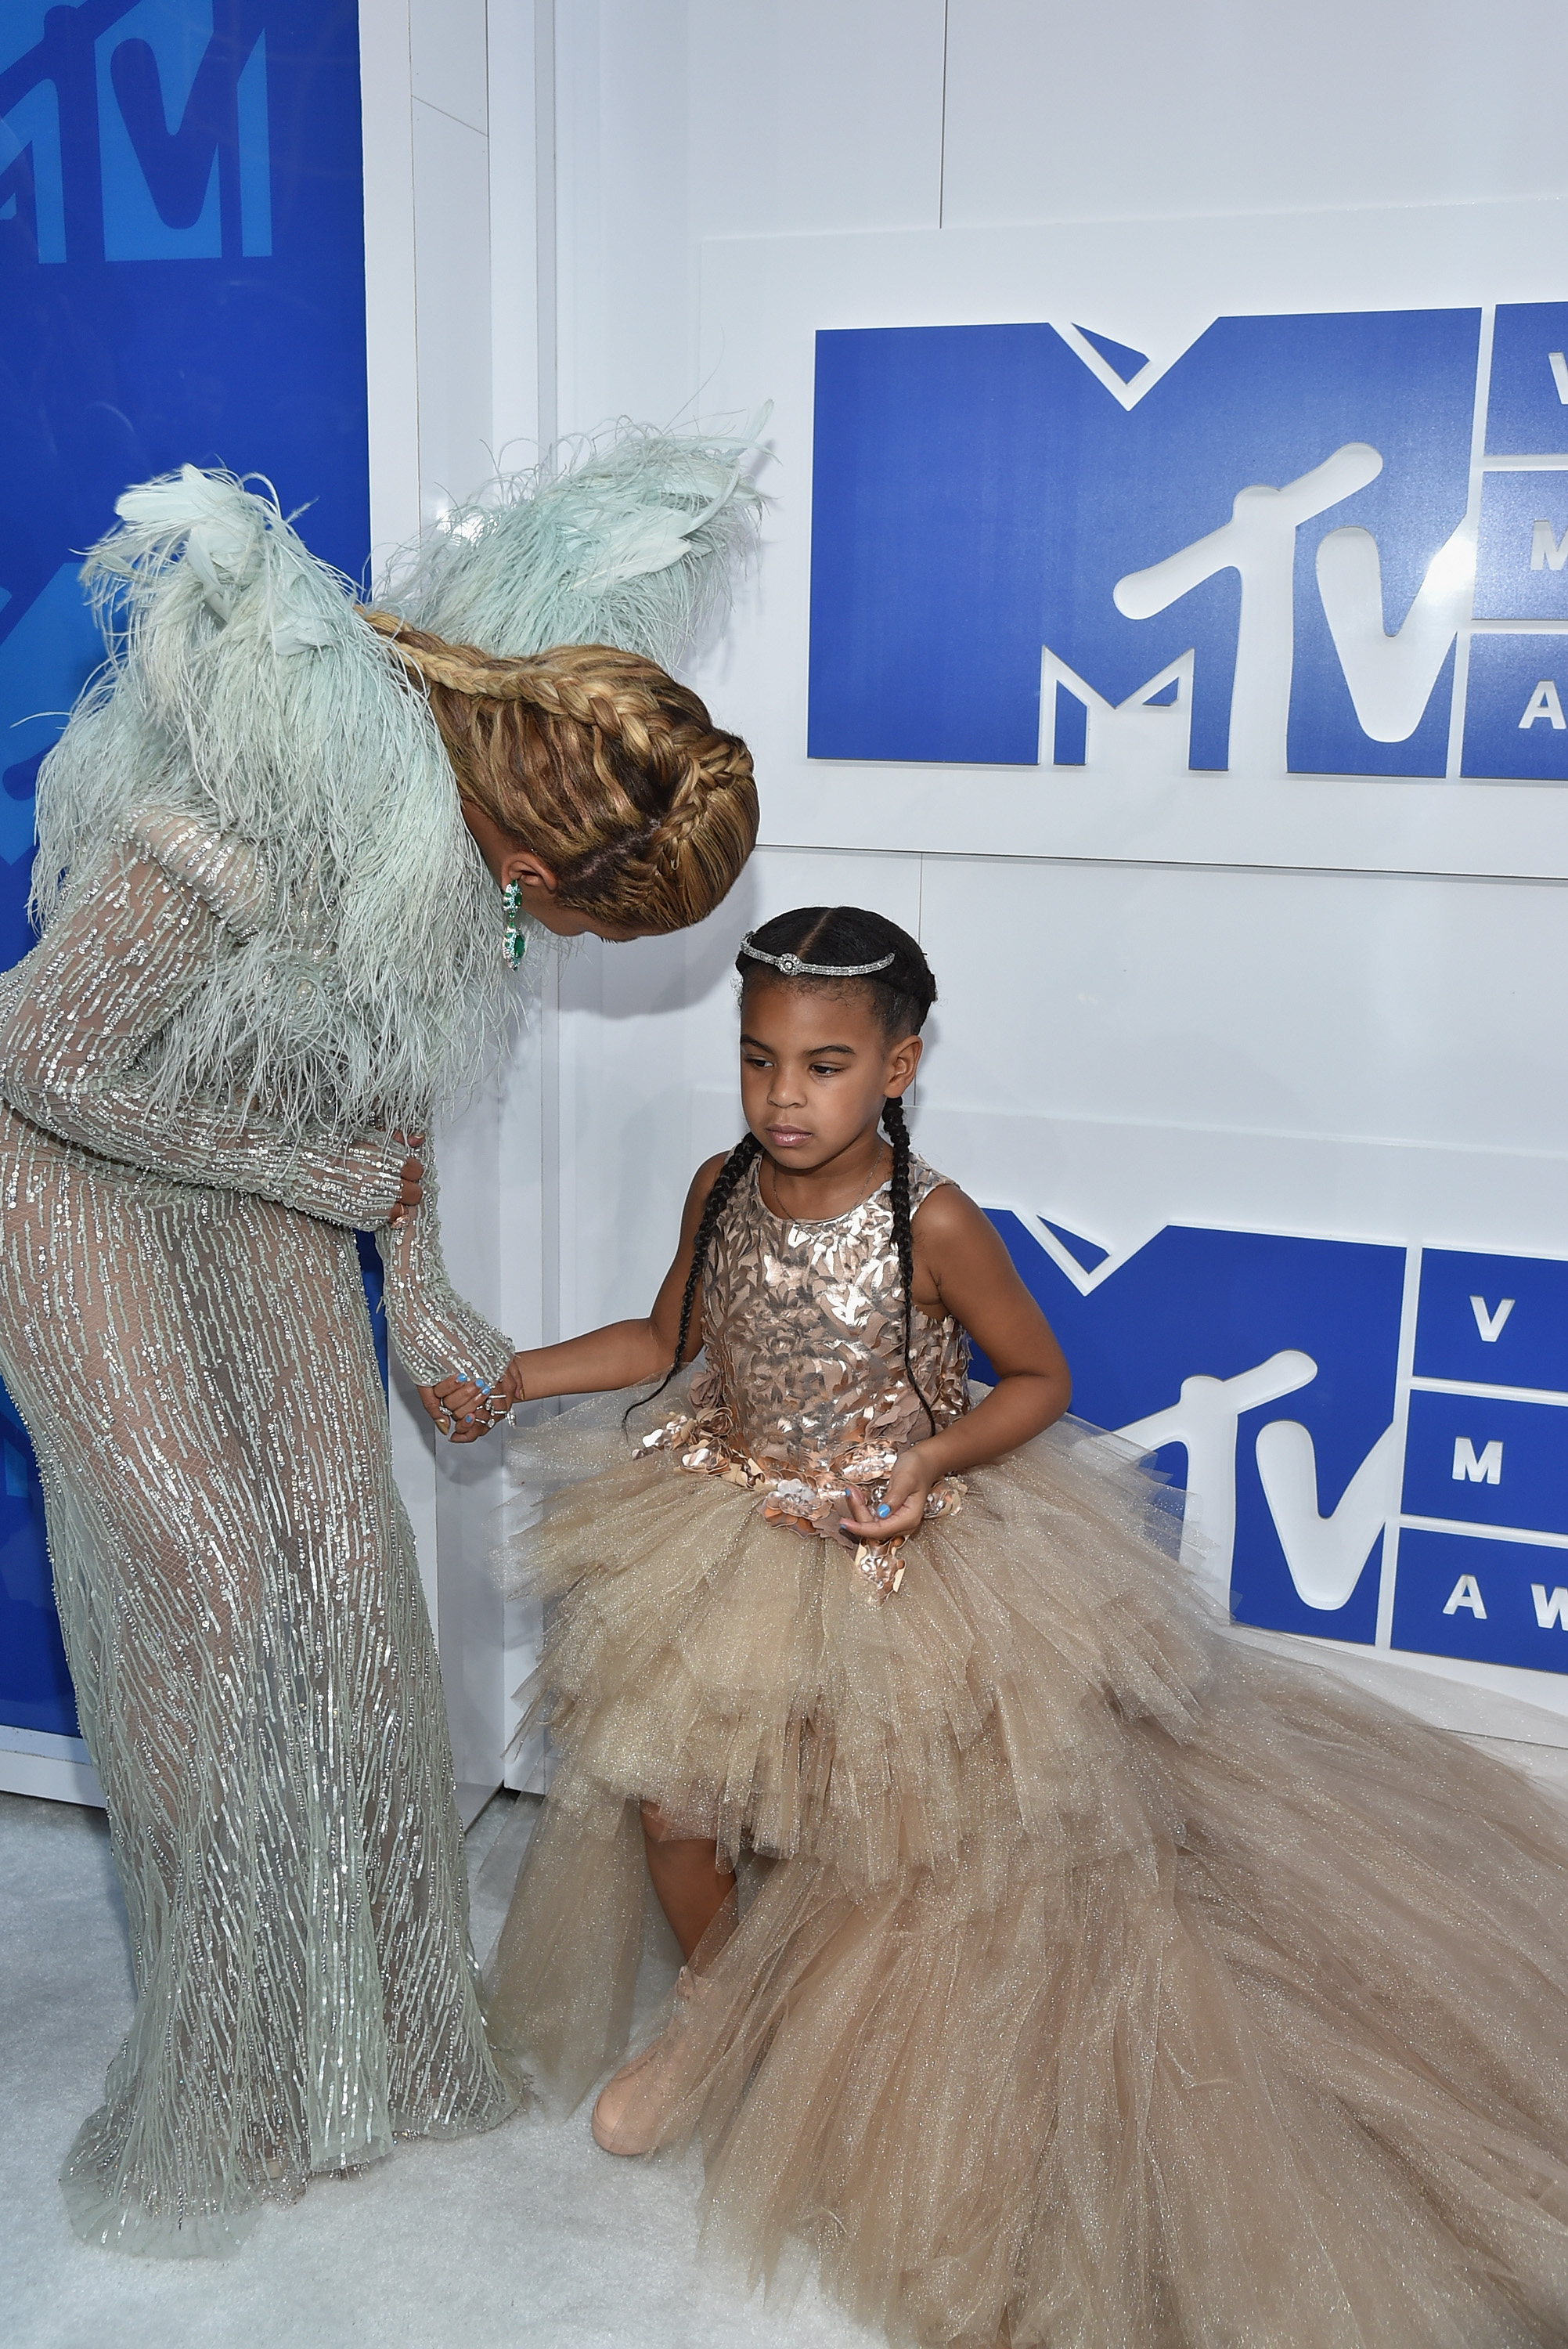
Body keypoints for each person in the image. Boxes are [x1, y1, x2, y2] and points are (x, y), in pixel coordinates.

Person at [474, 904, 1568, 2349]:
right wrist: (511, 1372)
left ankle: (834, 2032)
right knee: (674, 1798)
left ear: (899, 1066)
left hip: (900, 1540)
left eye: (821, 1066)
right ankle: (721, 2001)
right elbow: (666, 1344)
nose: (782, 1098)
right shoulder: (720, 1186)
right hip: (723, 1523)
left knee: (892, 1820)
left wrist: (926, 1463)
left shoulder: (933, 1220)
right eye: (757, 1062)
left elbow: (1035, 1377)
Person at [0, 430, 761, 2256]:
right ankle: (223, 2073)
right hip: (36, 1143)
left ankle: (355, 2042)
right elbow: (58, 1074)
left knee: (352, 1576)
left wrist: (426, 1283)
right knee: (215, 1586)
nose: (549, 932)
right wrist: (319, 1181)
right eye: (561, 902)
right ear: (525, 822)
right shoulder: (254, 808)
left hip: (241, 1131)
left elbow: (378, 1079)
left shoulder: (471, 860)